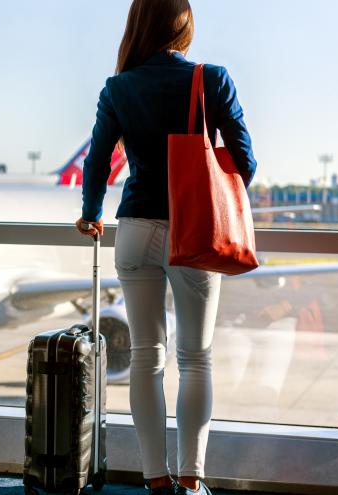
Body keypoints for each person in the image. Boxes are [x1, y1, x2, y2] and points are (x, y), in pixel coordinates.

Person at [74, 1, 257, 494]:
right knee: (195, 357)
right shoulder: (211, 79)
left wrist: (91, 214)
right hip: (192, 229)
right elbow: (245, 160)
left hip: (134, 228)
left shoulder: (118, 87)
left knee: (145, 356)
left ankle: (156, 480)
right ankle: (192, 483)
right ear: (184, 25)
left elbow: (97, 163)